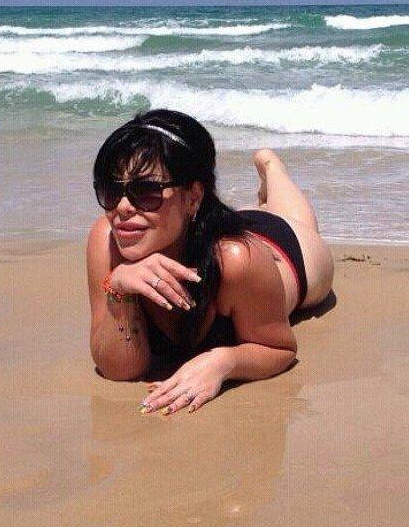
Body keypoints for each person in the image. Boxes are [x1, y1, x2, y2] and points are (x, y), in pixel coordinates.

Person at [86, 109, 334, 415]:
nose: (122, 207)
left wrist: (225, 361)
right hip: (201, 229)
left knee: (293, 220)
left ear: (192, 197)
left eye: (146, 192)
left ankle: (271, 167)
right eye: (111, 190)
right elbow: (119, 369)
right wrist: (119, 288)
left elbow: (279, 349)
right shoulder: (107, 240)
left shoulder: (237, 260)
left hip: (285, 254)